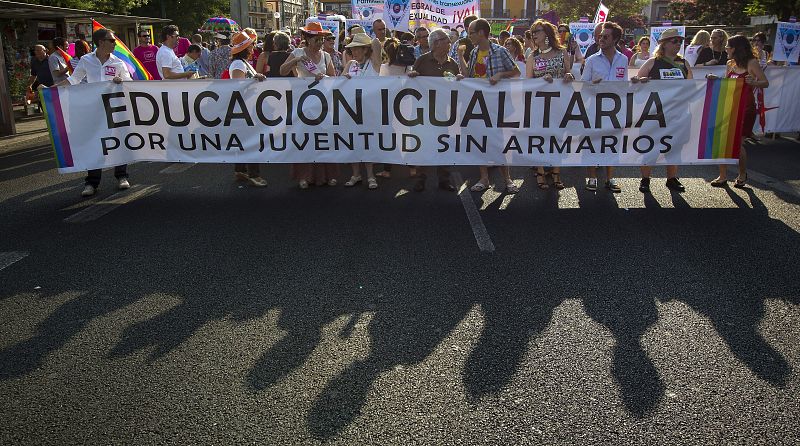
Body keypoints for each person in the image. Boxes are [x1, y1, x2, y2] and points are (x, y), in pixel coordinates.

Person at [41, 28, 133, 197]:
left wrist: (121, 81)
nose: (115, 43)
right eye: (112, 40)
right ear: (101, 42)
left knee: (118, 141)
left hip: (114, 110)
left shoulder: (118, 63)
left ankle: (121, 176)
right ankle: (92, 182)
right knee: (94, 143)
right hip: (93, 110)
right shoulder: (86, 60)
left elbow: (129, 82)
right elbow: (73, 80)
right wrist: (50, 91)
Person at [460, 18, 520, 193]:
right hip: (478, 105)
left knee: (500, 141)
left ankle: (507, 179)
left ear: (481, 33)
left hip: (496, 105)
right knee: (479, 140)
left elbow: (516, 72)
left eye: (471, 32)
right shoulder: (473, 53)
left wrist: (500, 74)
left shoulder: (500, 51)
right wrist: (460, 58)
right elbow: (469, 76)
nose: (468, 35)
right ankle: (484, 178)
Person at [280, 22, 340, 189]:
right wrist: (297, 60)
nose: (320, 42)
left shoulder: (326, 56)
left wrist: (325, 78)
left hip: (322, 104)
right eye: (316, 39)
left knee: (324, 138)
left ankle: (328, 175)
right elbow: (282, 71)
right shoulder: (297, 52)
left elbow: (333, 78)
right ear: (306, 38)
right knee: (304, 139)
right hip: (303, 103)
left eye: (321, 39)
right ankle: (304, 176)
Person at [581, 21, 636, 193]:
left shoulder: (623, 59)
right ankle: (591, 177)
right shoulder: (591, 60)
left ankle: (610, 178)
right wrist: (592, 84)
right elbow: (582, 86)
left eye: (605, 36)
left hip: (615, 109)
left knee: (613, 143)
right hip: (595, 108)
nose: (601, 39)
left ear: (616, 39)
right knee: (592, 142)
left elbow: (624, 83)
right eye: (600, 36)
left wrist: (634, 84)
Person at [709, 35, 768, 188]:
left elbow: (765, 82)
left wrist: (754, 82)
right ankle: (722, 176)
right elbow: (727, 83)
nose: (726, 49)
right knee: (723, 142)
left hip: (746, 109)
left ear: (736, 48)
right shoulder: (730, 63)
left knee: (737, 143)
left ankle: (742, 173)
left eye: (728, 46)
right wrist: (717, 79)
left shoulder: (752, 63)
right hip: (728, 107)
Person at [636, 28, 691, 193]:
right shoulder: (653, 62)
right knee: (649, 146)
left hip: (677, 112)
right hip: (654, 113)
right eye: (675, 41)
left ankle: (672, 179)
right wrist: (642, 81)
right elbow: (636, 82)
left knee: (675, 146)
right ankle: (645, 179)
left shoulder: (684, 63)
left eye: (680, 42)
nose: (678, 44)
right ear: (664, 44)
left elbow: (692, 86)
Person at [406, 28, 459, 192]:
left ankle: (444, 179)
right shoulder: (422, 61)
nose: (450, 43)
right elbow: (411, 82)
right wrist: (412, 75)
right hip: (425, 113)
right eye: (446, 40)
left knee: (444, 146)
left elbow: (451, 82)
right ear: (436, 43)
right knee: (424, 146)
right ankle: (421, 179)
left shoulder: (452, 63)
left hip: (445, 113)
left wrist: (458, 80)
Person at [526, 19, 574, 190]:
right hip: (540, 105)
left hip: (560, 103)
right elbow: (528, 83)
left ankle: (556, 173)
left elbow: (568, 72)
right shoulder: (532, 56)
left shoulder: (562, 53)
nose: (534, 34)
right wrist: (541, 81)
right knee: (541, 138)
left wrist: (569, 76)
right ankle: (540, 171)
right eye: (532, 32)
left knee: (558, 138)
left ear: (546, 33)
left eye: (537, 31)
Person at [225, 31, 268, 187]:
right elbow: (238, 85)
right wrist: (255, 78)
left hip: (245, 108)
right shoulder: (238, 64)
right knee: (252, 141)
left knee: (243, 141)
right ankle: (254, 174)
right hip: (243, 110)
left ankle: (241, 170)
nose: (253, 47)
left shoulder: (242, 62)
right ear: (245, 48)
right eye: (251, 45)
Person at [341, 33, 383, 189]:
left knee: (368, 142)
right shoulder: (351, 64)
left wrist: (367, 39)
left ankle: (371, 175)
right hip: (351, 110)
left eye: (358, 49)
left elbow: (377, 43)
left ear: (366, 50)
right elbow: (340, 82)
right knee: (353, 142)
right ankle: (356, 174)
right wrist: (344, 79)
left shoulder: (374, 64)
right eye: (352, 49)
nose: (354, 52)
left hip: (369, 111)